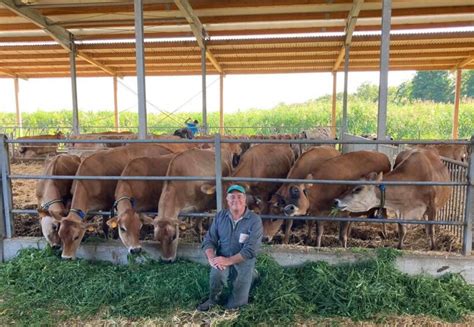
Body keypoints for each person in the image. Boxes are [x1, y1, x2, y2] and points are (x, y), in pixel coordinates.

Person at [197, 184, 263, 311]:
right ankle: (213, 299)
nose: (235, 200)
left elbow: (250, 250)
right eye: (232, 197)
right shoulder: (220, 216)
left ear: (245, 199)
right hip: (223, 256)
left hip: (244, 261)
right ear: (227, 200)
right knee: (216, 274)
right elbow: (209, 240)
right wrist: (212, 258)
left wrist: (228, 261)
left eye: (239, 196)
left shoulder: (254, 220)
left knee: (235, 306)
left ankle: (252, 275)